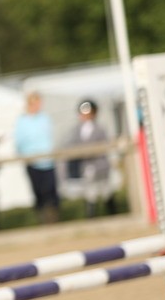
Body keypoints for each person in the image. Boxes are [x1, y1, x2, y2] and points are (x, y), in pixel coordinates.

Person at [13, 91, 60, 223]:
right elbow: (19, 142)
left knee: (51, 192)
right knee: (39, 193)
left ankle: (54, 220)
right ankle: (43, 219)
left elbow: (50, 138)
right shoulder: (22, 121)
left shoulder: (45, 118)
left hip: (48, 161)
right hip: (32, 162)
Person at [67, 99, 115, 217]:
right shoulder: (76, 131)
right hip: (86, 166)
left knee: (106, 192)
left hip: (100, 165)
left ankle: (112, 216)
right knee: (90, 194)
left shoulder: (100, 129)